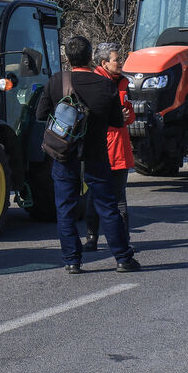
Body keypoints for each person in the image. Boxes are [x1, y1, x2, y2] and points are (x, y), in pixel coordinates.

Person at [35, 35, 139, 274]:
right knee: (108, 206)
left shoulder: (57, 81)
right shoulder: (105, 86)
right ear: (91, 56)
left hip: (63, 153)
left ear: (67, 57)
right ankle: (123, 259)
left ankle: (72, 260)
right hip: (97, 153)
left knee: (65, 209)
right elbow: (116, 121)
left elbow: (41, 114)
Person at [83, 43, 135, 251]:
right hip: (100, 147)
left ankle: (124, 241)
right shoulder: (93, 83)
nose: (120, 62)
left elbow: (130, 113)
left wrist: (125, 117)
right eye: (116, 59)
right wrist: (112, 118)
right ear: (104, 63)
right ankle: (91, 238)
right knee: (94, 197)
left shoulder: (124, 83)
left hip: (120, 149)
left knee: (120, 198)